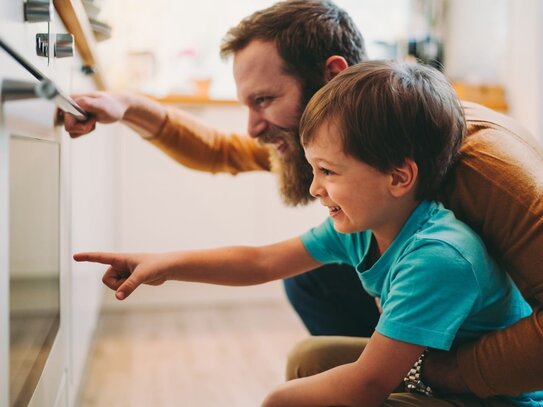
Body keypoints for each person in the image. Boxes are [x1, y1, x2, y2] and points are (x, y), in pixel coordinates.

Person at [64, 0, 543, 399]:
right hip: (444, 319)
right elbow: (227, 169)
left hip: (502, 374)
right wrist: (127, 106)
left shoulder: (482, 170)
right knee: (311, 287)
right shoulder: (358, 149)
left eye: (264, 100)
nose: (252, 127)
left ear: (331, 74)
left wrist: (445, 373)